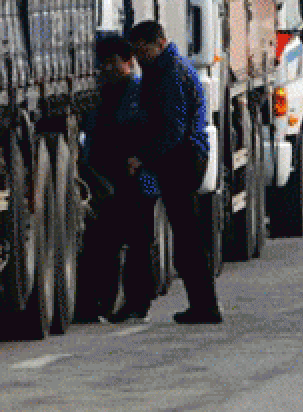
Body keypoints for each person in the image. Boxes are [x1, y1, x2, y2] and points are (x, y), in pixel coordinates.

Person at [128, 20, 223, 324]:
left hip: (182, 159)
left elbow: (173, 128)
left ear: (156, 42)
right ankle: (201, 304)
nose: (138, 57)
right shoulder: (168, 68)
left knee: (187, 238)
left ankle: (205, 306)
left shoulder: (170, 73)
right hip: (182, 157)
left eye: (141, 49)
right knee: (186, 236)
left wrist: (143, 156)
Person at [77, 35, 159, 323]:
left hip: (137, 180)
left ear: (128, 62)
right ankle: (99, 302)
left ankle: (138, 303)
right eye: (103, 63)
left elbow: (156, 132)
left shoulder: (141, 92)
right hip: (104, 180)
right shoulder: (98, 96)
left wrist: (141, 159)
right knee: (103, 243)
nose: (107, 68)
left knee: (138, 244)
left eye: (113, 62)